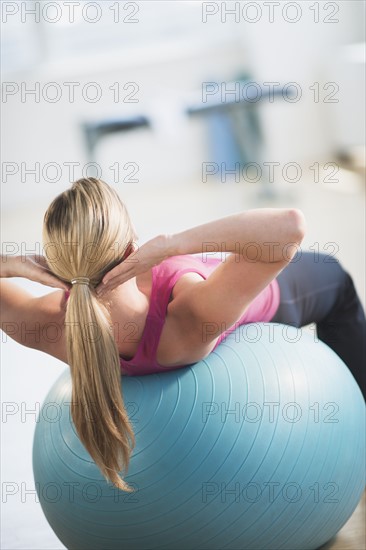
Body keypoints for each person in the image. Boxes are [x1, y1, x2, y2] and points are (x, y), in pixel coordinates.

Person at [1, 177, 365, 492]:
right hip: (281, 301)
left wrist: (12, 264)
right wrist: (172, 244)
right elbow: (290, 226)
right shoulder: (187, 313)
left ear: (55, 267)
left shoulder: (53, 328)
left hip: (238, 293)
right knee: (338, 284)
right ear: (132, 247)